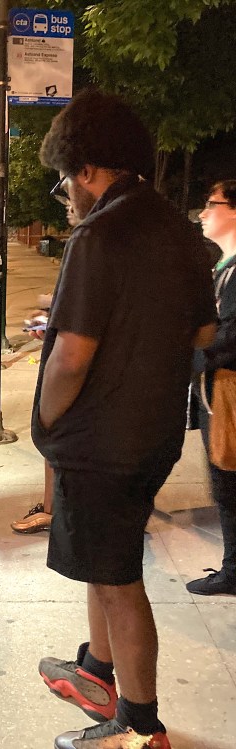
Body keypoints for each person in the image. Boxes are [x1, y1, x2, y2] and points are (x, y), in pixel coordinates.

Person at [32, 89, 216, 749]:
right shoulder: (182, 234)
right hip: (152, 435)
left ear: (87, 169)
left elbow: (71, 356)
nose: (66, 194)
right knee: (107, 561)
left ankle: (139, 725)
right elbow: (202, 333)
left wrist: (45, 422)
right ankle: (95, 671)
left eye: (65, 180)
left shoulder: (98, 234)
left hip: (100, 443)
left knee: (118, 580)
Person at [12, 205, 79, 535]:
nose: (67, 204)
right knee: (54, 443)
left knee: (56, 439)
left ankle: (58, 513)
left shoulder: (97, 241)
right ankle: (52, 509)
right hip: (68, 360)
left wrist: (53, 315)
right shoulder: (87, 241)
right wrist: (50, 318)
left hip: (80, 375)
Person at [185, 180, 236, 596]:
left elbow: (228, 338)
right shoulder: (225, 267)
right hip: (216, 391)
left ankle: (234, 570)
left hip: (228, 395)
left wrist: (182, 354)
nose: (203, 213)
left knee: (229, 481)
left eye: (211, 204)